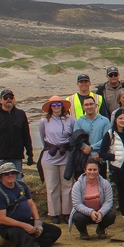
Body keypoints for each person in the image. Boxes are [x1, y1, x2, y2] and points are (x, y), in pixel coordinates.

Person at [0, 88, 34, 228]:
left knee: (17, 187)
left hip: (16, 158)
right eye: (5, 98)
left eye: (11, 97)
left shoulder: (20, 115)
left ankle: (16, 214)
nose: (8, 100)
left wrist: (30, 154)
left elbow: (26, 136)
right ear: (0, 101)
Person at [0, 162, 60, 247]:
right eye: (7, 174)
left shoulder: (21, 185)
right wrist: (24, 226)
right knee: (21, 234)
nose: (10, 175)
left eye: (13, 173)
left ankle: (16, 242)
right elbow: (2, 219)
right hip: (9, 226)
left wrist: (37, 222)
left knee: (55, 231)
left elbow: (31, 204)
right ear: (1, 176)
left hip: (28, 221)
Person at [38, 95, 73, 224]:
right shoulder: (44, 121)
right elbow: (43, 138)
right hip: (50, 156)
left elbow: (72, 137)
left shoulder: (70, 120)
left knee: (67, 185)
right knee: (52, 186)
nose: (56, 107)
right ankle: (54, 213)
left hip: (66, 155)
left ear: (62, 106)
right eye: (53, 105)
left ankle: (67, 212)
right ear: (50, 107)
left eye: (59, 104)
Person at [70, 158, 117, 240]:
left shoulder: (105, 184)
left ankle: (101, 229)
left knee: (111, 215)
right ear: (85, 170)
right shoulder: (77, 185)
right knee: (77, 217)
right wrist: (91, 212)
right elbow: (77, 204)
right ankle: (83, 232)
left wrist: (100, 213)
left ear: (98, 171)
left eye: (95, 170)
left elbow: (108, 202)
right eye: (89, 169)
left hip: (100, 213)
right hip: (84, 214)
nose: (92, 172)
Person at [75, 97, 110, 174]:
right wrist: (86, 148)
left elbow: (107, 139)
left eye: (91, 104)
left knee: (100, 182)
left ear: (95, 105)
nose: (89, 107)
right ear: (83, 107)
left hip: (99, 157)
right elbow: (77, 139)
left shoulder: (105, 121)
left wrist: (93, 148)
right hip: (84, 157)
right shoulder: (78, 122)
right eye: (86, 105)